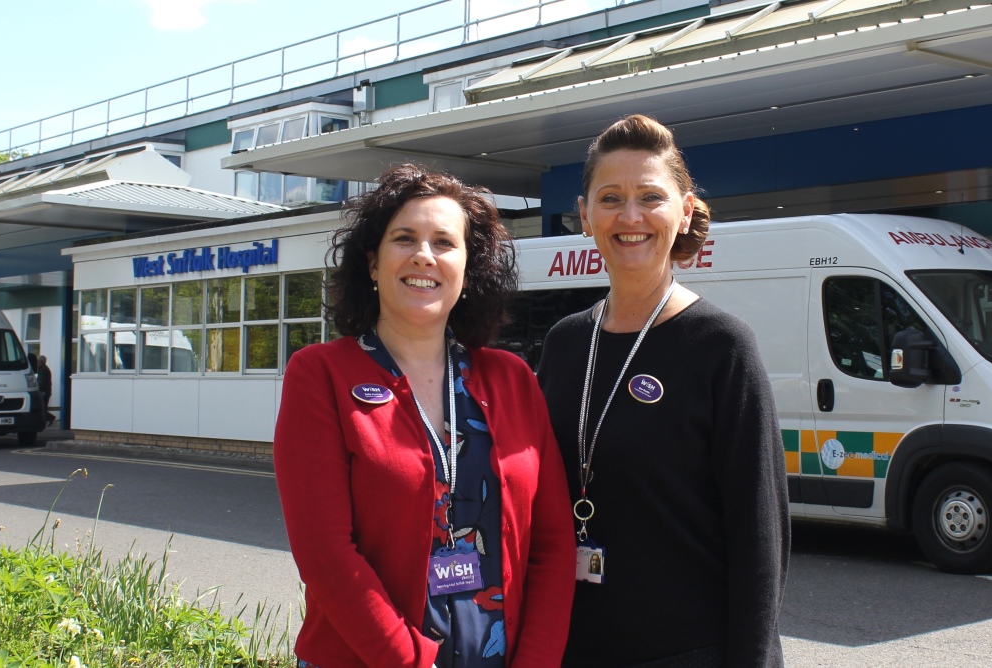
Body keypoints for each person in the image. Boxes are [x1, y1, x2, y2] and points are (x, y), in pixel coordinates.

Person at [273, 164, 575, 668]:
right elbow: (326, 554)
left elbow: (553, 544)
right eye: (405, 238)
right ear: (372, 264)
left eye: (444, 242)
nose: (424, 255)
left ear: (467, 267)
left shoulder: (513, 379)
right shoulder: (321, 375)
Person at [537, 115, 790, 667]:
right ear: (584, 215)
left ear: (685, 211)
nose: (630, 216)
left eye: (651, 196)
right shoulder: (564, 343)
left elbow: (760, 540)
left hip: (686, 653)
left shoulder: (722, 346)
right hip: (568, 648)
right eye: (610, 198)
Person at [37, 355, 54, 427]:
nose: (37, 362)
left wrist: (37, 390)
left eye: (38, 361)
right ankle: (43, 422)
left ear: (41, 362)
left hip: (44, 393)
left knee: (42, 409)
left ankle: (50, 418)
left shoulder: (43, 370)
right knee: (43, 408)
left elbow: (42, 383)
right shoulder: (44, 369)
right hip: (46, 392)